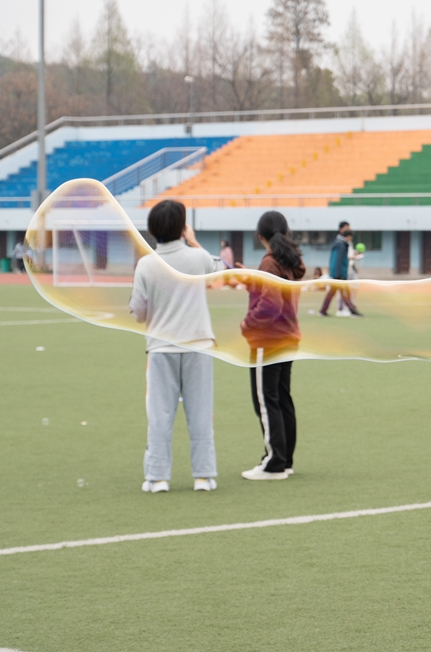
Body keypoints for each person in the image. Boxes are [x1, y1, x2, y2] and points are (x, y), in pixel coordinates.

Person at [129, 200, 223, 493]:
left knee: (159, 414)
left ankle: (157, 477)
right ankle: (204, 476)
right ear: (183, 227)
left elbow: (138, 312)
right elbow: (220, 276)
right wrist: (194, 242)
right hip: (198, 344)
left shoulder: (146, 264)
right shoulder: (198, 258)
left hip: (160, 348)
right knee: (200, 412)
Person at [240, 211, 307, 480]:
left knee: (266, 401)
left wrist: (247, 324)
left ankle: (274, 463)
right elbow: (272, 294)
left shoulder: (269, 263)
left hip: (267, 341)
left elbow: (270, 304)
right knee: (282, 398)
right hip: (288, 338)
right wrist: (251, 278)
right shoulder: (287, 261)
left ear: (260, 237)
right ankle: (284, 458)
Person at [319, 222, 361, 317]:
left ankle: (323, 311)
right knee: (345, 293)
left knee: (333, 293)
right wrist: (339, 275)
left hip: (336, 273)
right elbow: (338, 260)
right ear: (348, 236)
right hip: (339, 274)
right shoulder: (341, 245)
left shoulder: (338, 243)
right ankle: (352, 310)